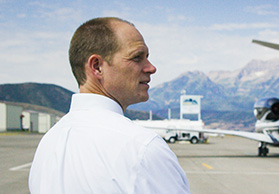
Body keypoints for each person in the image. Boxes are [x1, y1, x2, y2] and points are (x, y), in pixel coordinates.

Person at [29, 17, 190, 194]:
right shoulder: (141, 148)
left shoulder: (48, 143)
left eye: (147, 58)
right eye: (137, 57)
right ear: (97, 66)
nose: (151, 68)